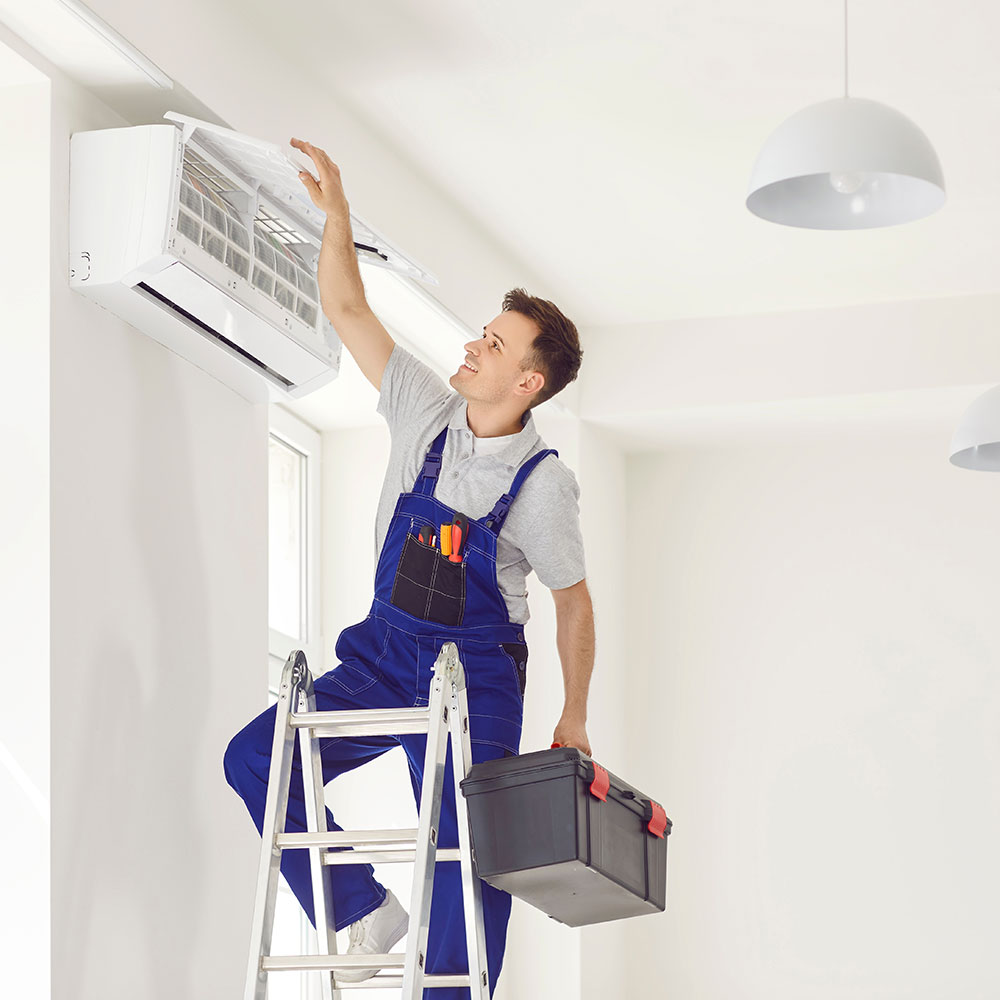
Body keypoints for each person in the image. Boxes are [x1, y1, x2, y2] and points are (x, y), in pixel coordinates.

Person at [223, 137, 595, 998]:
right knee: (257, 760)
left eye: (495, 344)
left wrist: (573, 714)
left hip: (477, 683)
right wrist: (338, 217)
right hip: (381, 659)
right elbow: (350, 310)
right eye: (482, 333)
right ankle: (357, 906)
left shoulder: (542, 487)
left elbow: (574, 603)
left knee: (468, 861)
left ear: (529, 382)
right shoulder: (426, 408)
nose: (473, 345)